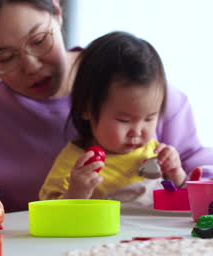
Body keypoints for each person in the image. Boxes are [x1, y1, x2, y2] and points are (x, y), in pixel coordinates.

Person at [0, 0, 213, 213]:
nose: (31, 66)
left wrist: (195, 178)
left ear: (57, 11)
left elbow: (208, 176)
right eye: (5, 58)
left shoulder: (139, 90)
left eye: (39, 40)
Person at [39, 31, 186, 207]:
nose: (137, 132)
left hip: (157, 234)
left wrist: (177, 174)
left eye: (149, 118)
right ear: (86, 108)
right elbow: (49, 211)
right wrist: (76, 193)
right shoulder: (77, 162)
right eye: (124, 120)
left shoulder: (156, 154)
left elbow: (180, 202)